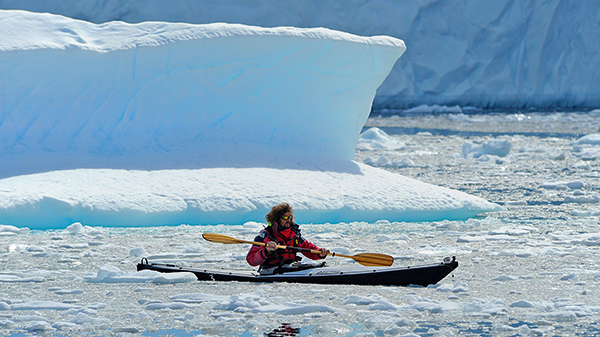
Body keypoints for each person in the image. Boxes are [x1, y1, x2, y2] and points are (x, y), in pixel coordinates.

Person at [246, 203, 330, 274]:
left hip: (290, 267)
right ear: (276, 219)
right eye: (285, 217)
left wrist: (319, 252)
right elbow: (251, 259)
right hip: (271, 269)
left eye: (289, 217)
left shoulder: (294, 234)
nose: (288, 220)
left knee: (312, 266)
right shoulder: (266, 236)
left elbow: (307, 247)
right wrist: (266, 251)